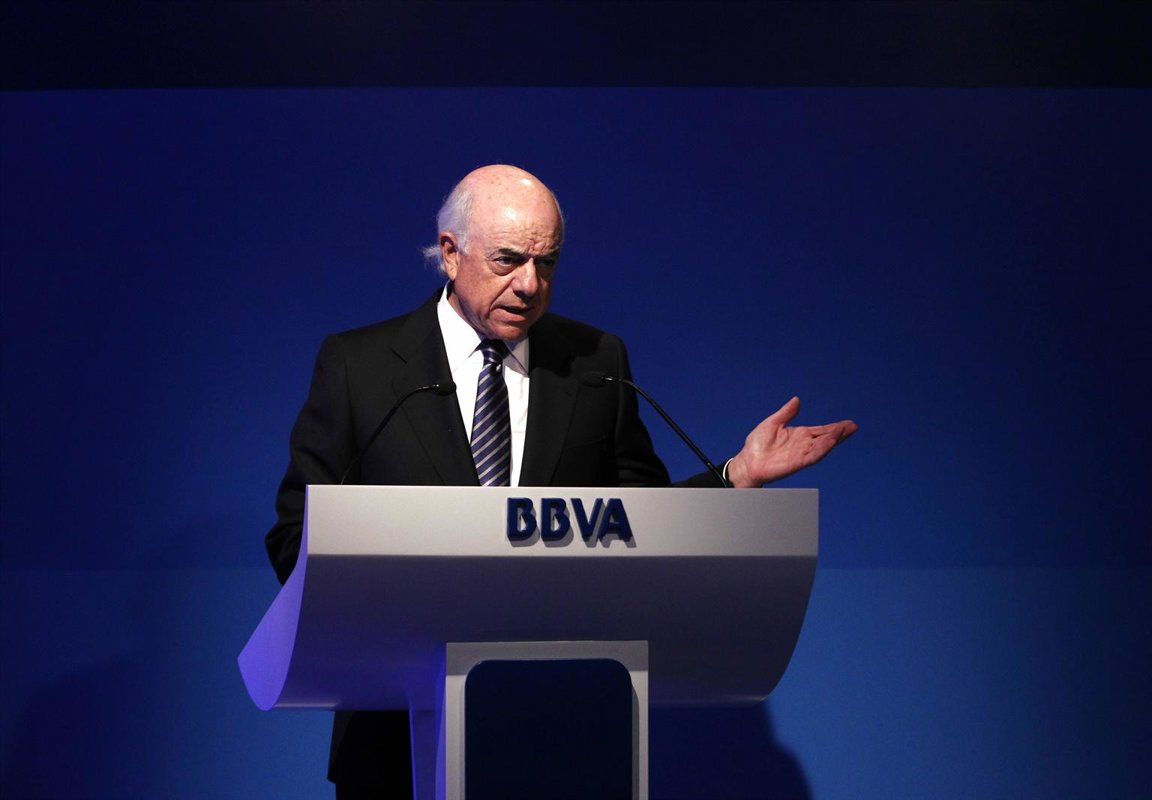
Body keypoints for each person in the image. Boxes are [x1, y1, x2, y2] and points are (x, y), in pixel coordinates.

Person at [265, 164, 857, 797]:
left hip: (564, 733)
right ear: (450, 253)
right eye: (508, 260)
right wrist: (386, 616)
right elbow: (296, 533)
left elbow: (642, 526)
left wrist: (735, 476)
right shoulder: (359, 366)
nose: (529, 285)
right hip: (396, 739)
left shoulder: (596, 363)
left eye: (546, 263)